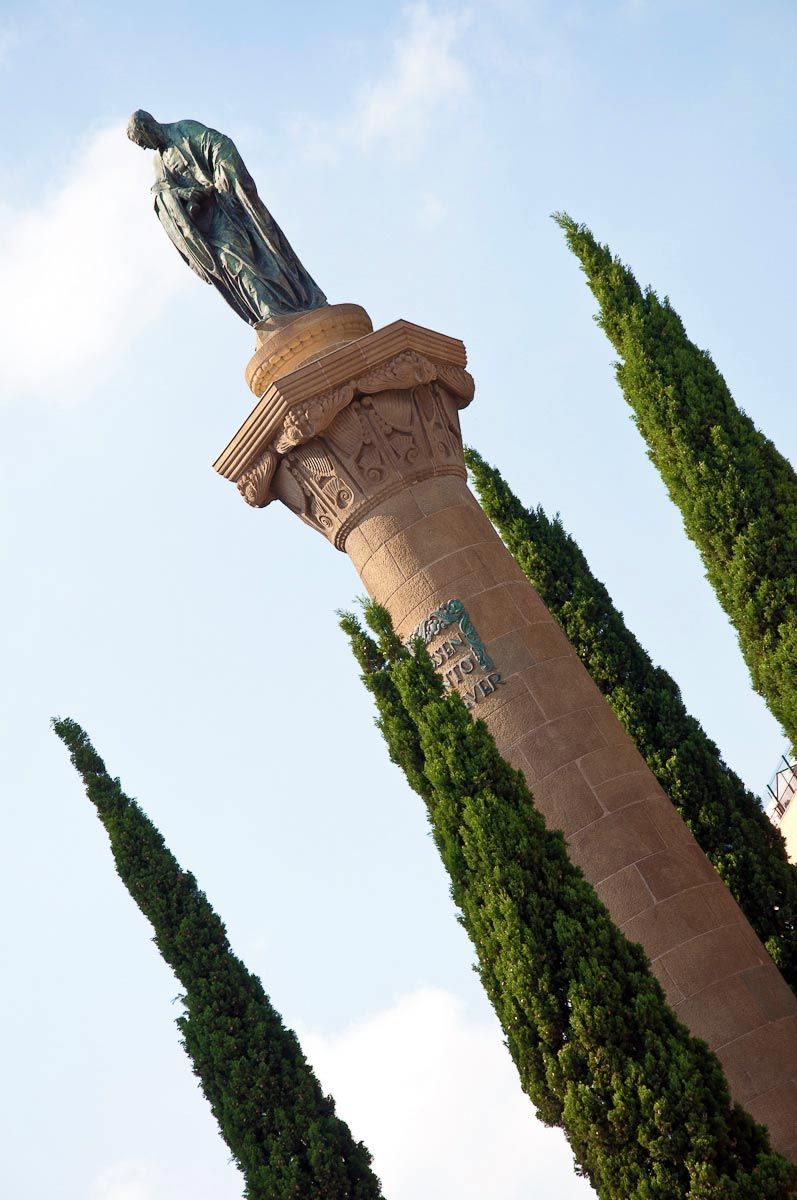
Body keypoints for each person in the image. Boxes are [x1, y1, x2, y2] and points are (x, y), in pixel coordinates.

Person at [127, 110, 327, 325]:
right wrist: (182, 194)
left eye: (141, 141)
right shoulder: (159, 162)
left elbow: (219, 145)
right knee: (229, 261)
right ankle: (270, 311)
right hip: (208, 225)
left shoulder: (184, 129)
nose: (144, 147)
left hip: (227, 205)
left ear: (146, 127)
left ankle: (286, 307)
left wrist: (223, 178)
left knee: (261, 254)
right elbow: (161, 192)